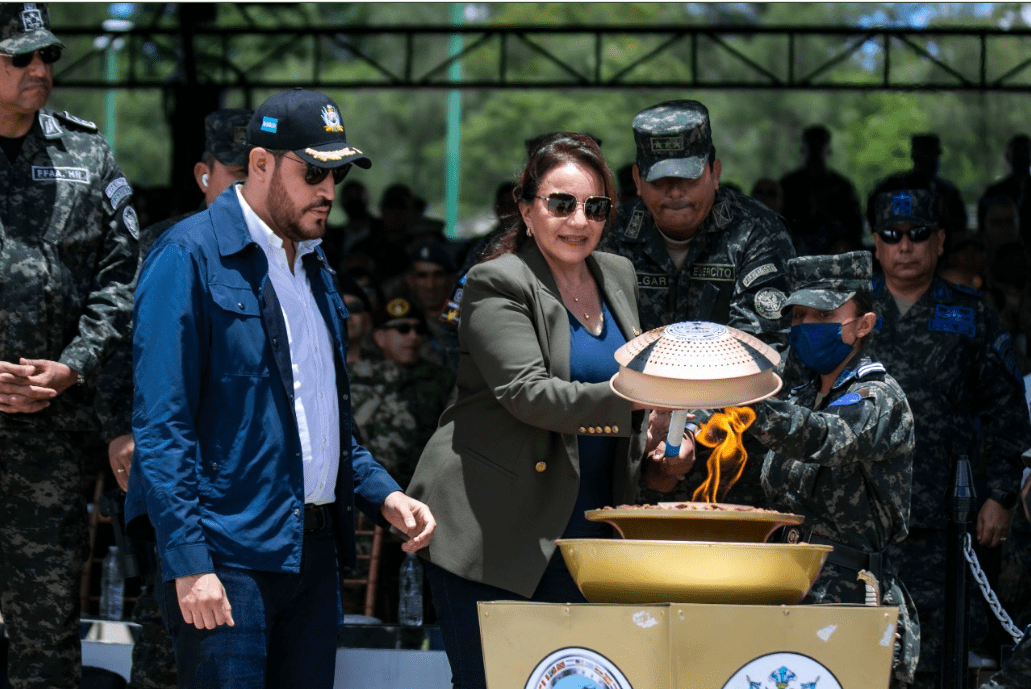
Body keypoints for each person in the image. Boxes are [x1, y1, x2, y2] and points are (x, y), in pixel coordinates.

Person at [124, 88, 436, 689]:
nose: (328, 190)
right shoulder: (187, 255)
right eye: (313, 171)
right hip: (227, 557)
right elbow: (162, 429)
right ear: (261, 163)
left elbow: (319, 419)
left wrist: (385, 495)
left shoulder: (314, 266)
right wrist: (190, 564)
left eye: (337, 174)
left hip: (313, 558)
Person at [406, 132, 688, 689]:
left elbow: (631, 393)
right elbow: (529, 394)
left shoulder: (618, 275)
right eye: (561, 203)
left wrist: (662, 434)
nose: (578, 220)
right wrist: (641, 402)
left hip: (590, 538)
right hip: (495, 534)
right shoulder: (496, 281)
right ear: (525, 207)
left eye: (596, 206)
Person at [0, 4, 140, 687]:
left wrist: (72, 365)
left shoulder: (85, 152)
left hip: (51, 431)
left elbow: (121, 278)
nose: (39, 70)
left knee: (46, 618)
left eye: (47, 56)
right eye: (20, 56)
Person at [94, 107, 252, 689]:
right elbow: (114, 348)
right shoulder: (167, 247)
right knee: (166, 622)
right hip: (167, 461)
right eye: (233, 175)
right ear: (202, 174)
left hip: (242, 473)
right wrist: (119, 427)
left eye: (254, 174)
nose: (243, 188)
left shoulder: (285, 251)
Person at [866, 188, 1031, 688]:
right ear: (876, 243)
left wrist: (1001, 497)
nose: (905, 246)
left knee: (937, 661)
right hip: (862, 513)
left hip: (946, 519)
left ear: (940, 242)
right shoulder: (852, 309)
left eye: (918, 234)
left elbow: (1007, 409)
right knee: (859, 648)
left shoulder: (971, 313)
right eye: (892, 236)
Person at [596, 98, 797, 508]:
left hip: (732, 464)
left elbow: (760, 352)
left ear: (715, 172)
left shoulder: (756, 234)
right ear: (636, 178)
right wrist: (648, 426)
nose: (674, 192)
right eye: (659, 180)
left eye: (688, 178)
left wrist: (686, 430)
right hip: (629, 457)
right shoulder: (610, 236)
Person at [742, 251, 919, 687]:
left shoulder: (880, 398)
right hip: (786, 597)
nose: (806, 325)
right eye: (799, 314)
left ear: (864, 324)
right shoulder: (800, 397)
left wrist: (749, 402)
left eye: (823, 313)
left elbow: (828, 438)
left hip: (851, 604)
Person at [778, 124, 864, 255]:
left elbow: (855, 228)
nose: (815, 152)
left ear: (828, 150)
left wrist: (844, 244)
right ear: (802, 150)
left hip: (834, 254)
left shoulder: (842, 188)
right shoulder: (787, 186)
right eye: (811, 146)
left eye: (819, 146)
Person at [867, 134, 969, 242]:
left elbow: (959, 227)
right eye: (924, 155)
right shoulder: (893, 186)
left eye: (931, 155)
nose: (929, 161)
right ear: (914, 157)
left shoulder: (946, 191)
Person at [978, 134, 1031, 247]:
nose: (1022, 156)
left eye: (1025, 151)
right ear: (1008, 156)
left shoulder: (994, 192)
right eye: (1017, 151)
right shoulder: (994, 192)